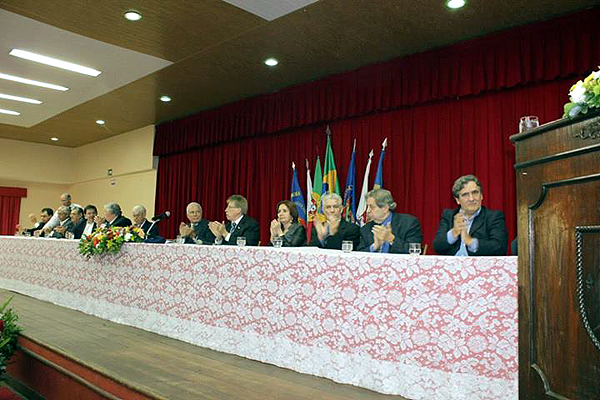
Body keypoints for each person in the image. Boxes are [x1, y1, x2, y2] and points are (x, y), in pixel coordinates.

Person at [433, 174, 508, 256]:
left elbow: (500, 247)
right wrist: (454, 232)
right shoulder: (449, 215)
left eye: (475, 193)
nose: (471, 199)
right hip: (452, 267)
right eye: (465, 195)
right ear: (457, 200)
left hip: (480, 267)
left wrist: (470, 241)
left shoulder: (493, 217)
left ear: (481, 195)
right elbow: (437, 246)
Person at [358, 189, 423, 253]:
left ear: (385, 208)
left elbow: (414, 250)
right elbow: (358, 255)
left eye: (371, 207)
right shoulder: (366, 228)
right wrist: (374, 247)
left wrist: (391, 239)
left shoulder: (408, 223)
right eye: (367, 207)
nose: (367, 211)